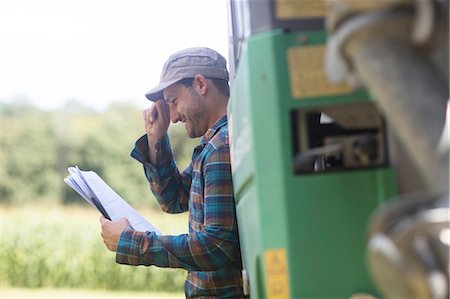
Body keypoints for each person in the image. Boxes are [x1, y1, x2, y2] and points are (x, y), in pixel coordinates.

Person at [99, 47, 246, 298]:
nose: (174, 116)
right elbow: (174, 198)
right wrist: (157, 137)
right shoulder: (213, 146)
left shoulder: (222, 147)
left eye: (173, 102)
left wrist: (131, 242)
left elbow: (216, 247)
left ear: (200, 84)